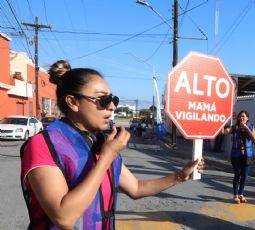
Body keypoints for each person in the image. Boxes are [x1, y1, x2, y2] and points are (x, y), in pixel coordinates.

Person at [20, 60, 204, 229]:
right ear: (73, 102)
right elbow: (63, 217)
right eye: (103, 100)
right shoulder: (43, 144)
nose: (112, 107)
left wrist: (179, 176)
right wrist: (107, 157)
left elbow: (136, 188)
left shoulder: (101, 142)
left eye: (113, 99)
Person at [222, 110, 255, 204]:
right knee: (237, 175)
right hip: (236, 155)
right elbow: (224, 132)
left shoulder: (251, 126)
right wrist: (221, 124)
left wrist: (246, 128)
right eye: (240, 116)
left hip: (247, 155)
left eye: (243, 116)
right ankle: (235, 195)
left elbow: (253, 137)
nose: (241, 118)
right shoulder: (234, 127)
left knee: (244, 176)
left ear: (247, 118)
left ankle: (241, 194)